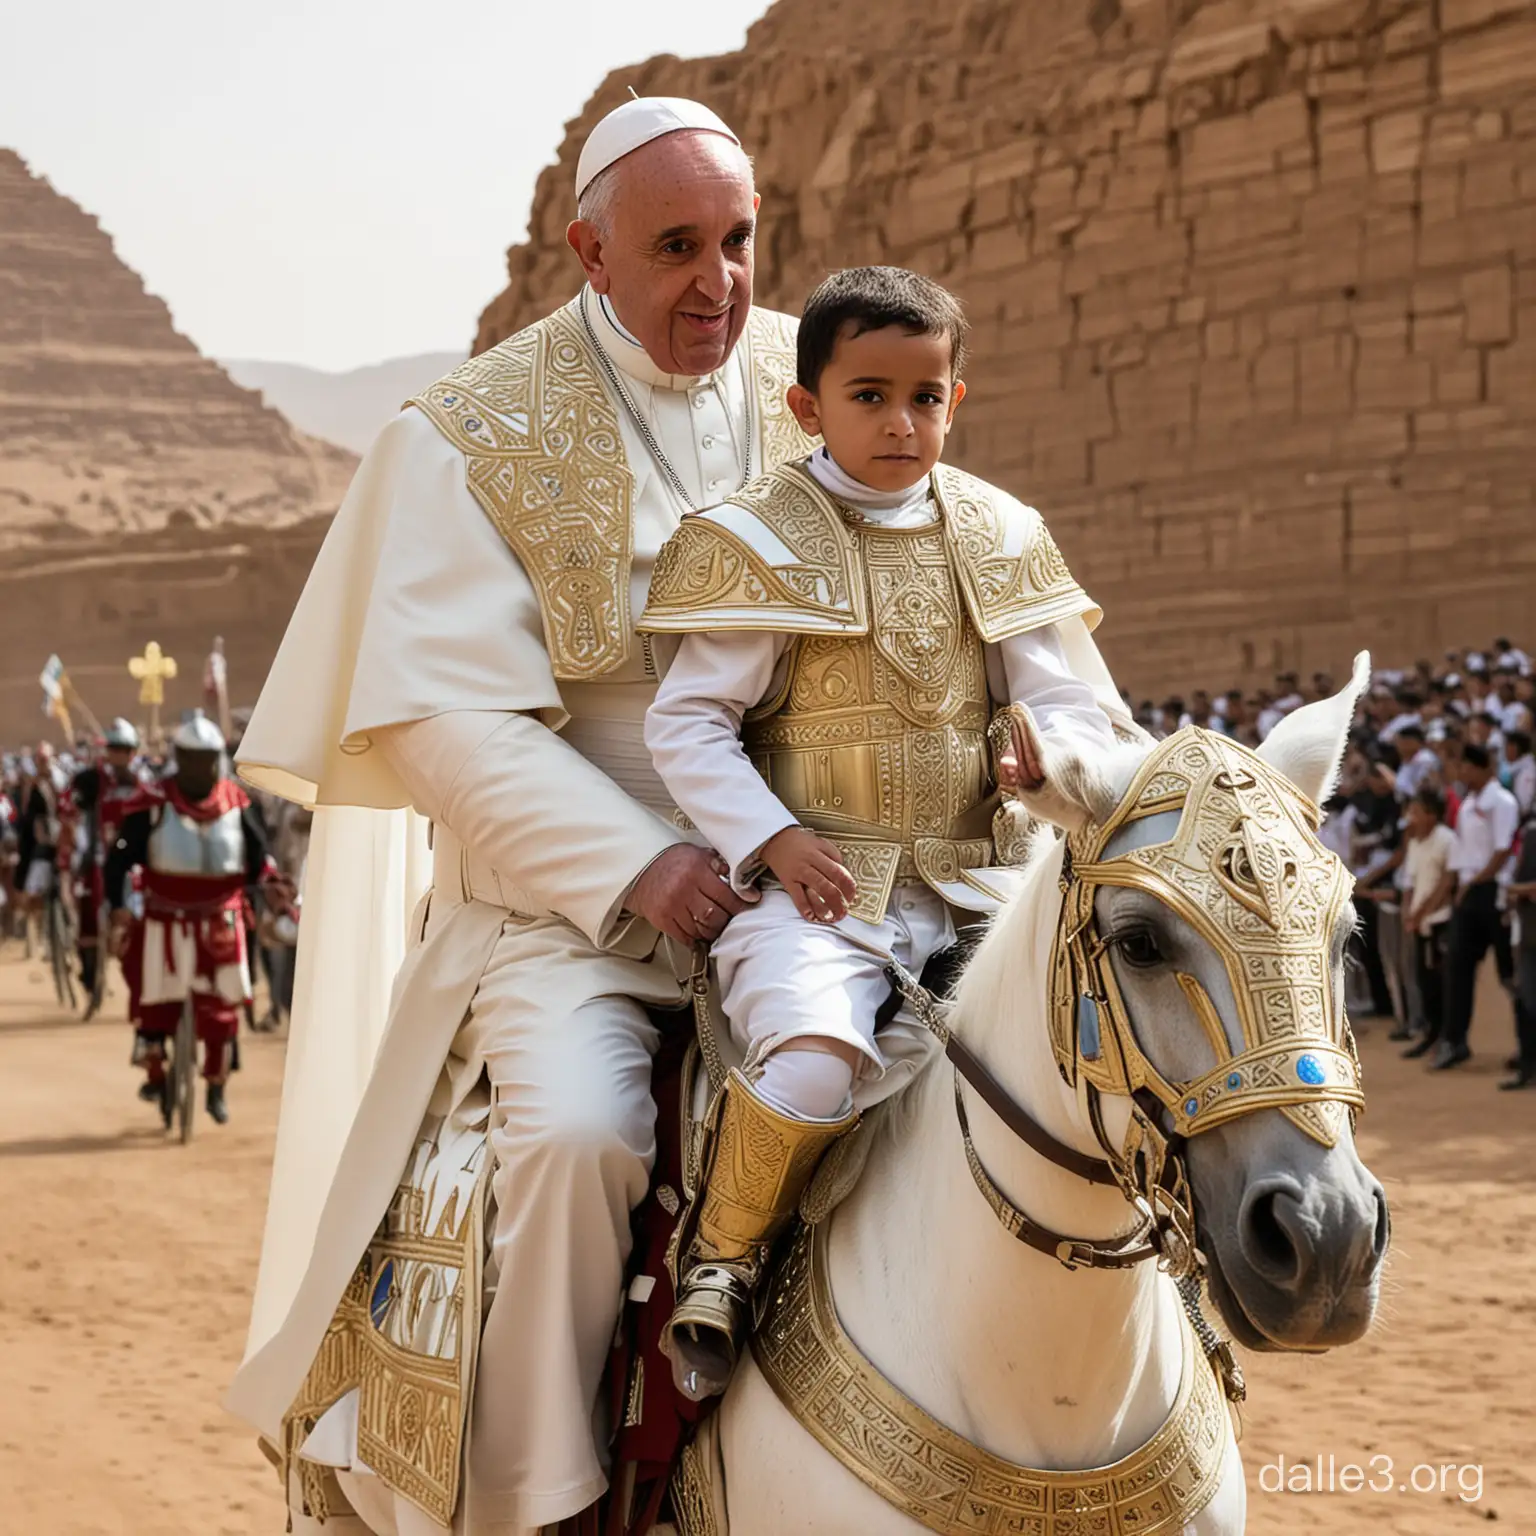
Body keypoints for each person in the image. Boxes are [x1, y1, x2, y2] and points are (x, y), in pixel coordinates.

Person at [226, 98, 825, 1534]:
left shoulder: (823, 376)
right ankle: (544, 1497)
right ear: (588, 252)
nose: (720, 282)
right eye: (677, 246)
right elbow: (439, 717)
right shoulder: (466, 437)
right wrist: (643, 864)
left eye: (740, 241)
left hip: (819, 884)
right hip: (573, 923)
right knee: (576, 1138)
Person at [640, 266, 1127, 1398]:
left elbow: (1068, 699)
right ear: (808, 406)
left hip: (986, 886)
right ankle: (723, 1259)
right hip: (817, 896)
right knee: (814, 1061)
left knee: (1118, 1052)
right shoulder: (754, 538)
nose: (902, 423)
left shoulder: (1000, 531)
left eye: (927, 397)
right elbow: (692, 726)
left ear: (960, 396)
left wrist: (1045, 760)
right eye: (870, 396)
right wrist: (773, 842)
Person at [107, 712, 280, 1124]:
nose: (200, 767)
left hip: (222, 920)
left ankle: (217, 1087)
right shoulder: (151, 804)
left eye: (207, 758)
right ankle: (154, 1068)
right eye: (193, 758)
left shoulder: (237, 804)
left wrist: (273, 882)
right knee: (153, 995)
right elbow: (119, 858)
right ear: (179, 758)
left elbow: (258, 857)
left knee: (221, 1005)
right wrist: (117, 904)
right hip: (162, 919)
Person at [1428, 742, 1519, 1069]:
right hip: (1470, 890)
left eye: (1466, 767)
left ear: (1482, 768)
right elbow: (1464, 850)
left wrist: (1475, 882)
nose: (1462, 773)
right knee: (1458, 967)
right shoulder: (1468, 803)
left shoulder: (1502, 801)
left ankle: (1527, 1049)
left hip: (1493, 891)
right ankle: (1455, 1041)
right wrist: (1460, 886)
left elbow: (1503, 849)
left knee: (1511, 973)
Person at [64, 718, 145, 1018]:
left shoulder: (145, 781)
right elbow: (71, 807)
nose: (121, 755)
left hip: (133, 860)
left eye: (126, 749)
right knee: (89, 913)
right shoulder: (90, 779)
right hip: (99, 856)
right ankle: (89, 978)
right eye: (115, 749)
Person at [1400, 787, 1457, 1060]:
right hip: (1419, 923)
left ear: (1432, 815)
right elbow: (1409, 882)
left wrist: (1420, 913)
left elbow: (1447, 883)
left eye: (1417, 812)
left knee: (1440, 982)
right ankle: (1431, 1034)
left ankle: (1445, 1037)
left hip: (1439, 921)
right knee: (1424, 981)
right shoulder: (1414, 842)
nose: (1412, 817)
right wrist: (1407, 911)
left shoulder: (1447, 840)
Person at [1504, 808, 1536, 1090]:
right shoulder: (1531, 835)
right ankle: (1527, 1067)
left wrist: (1520, 889)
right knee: (1524, 1000)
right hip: (1529, 933)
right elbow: (1514, 886)